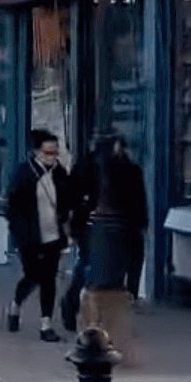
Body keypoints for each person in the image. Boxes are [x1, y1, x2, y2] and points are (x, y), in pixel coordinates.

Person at [64, 133, 149, 333]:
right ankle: (79, 308)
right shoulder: (90, 168)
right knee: (89, 269)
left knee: (103, 270)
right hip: (95, 228)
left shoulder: (127, 169)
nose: (121, 150)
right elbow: (74, 197)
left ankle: (103, 315)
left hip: (120, 228)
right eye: (118, 146)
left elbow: (137, 199)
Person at [2, 129, 79, 342]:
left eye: (55, 151)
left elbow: (68, 199)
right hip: (30, 238)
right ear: (36, 151)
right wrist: (21, 235)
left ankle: (46, 324)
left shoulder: (60, 173)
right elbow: (12, 208)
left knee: (48, 279)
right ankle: (15, 305)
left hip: (53, 236)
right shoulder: (23, 174)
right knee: (32, 276)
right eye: (48, 151)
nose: (52, 156)